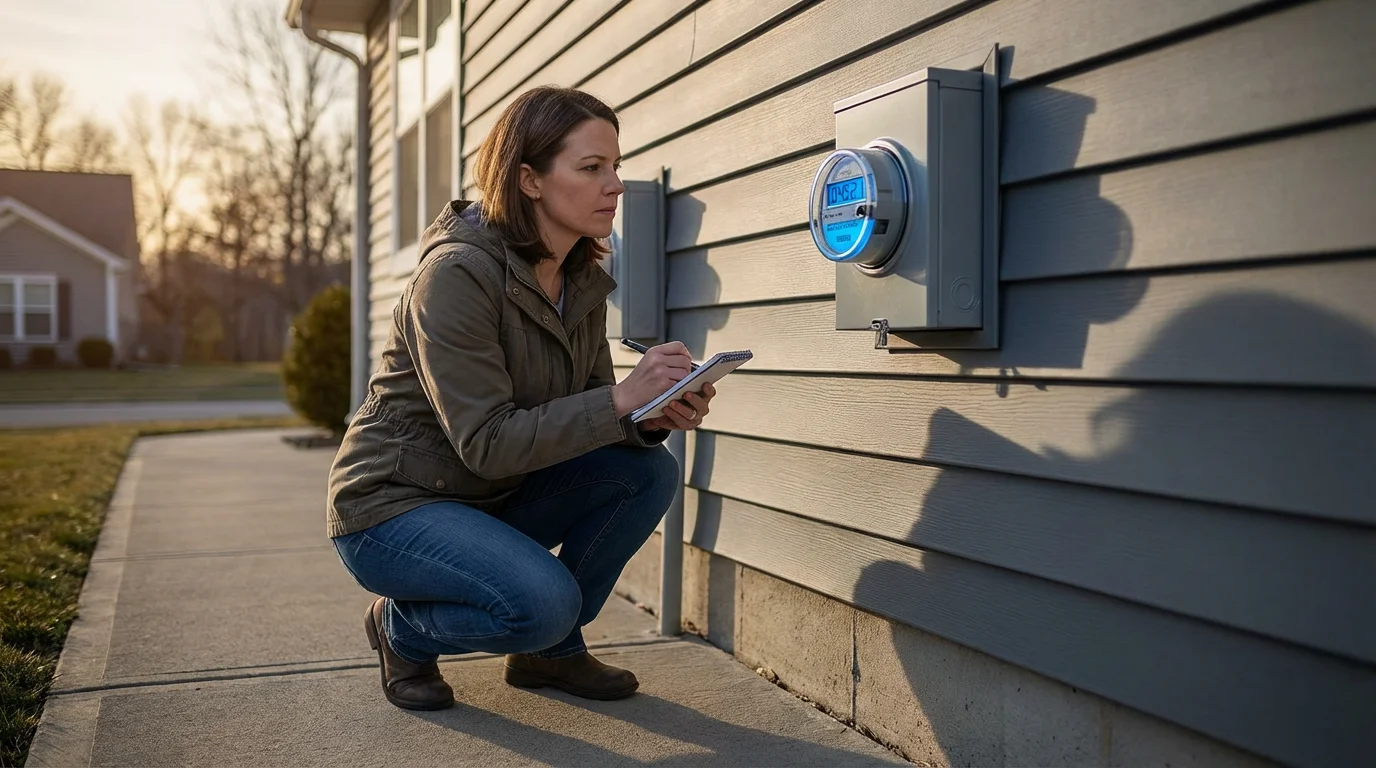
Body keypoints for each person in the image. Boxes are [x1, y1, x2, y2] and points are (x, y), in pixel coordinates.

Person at [325, 86, 715, 711]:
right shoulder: (455, 275)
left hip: (491, 496)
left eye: (615, 165)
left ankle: (547, 654)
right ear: (529, 179)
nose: (614, 184)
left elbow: (591, 407)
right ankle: (402, 629)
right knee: (544, 605)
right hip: (395, 507)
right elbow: (487, 442)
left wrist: (651, 415)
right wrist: (620, 400)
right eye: (591, 168)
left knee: (645, 472)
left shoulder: (579, 279)